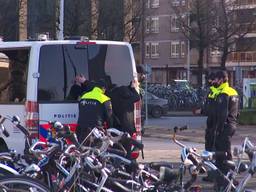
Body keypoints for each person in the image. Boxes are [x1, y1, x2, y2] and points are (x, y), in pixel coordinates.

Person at [213, 70, 239, 188]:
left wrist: (218, 129)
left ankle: (227, 180)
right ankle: (230, 179)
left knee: (223, 155)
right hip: (232, 124)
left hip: (224, 126)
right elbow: (237, 112)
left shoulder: (223, 93)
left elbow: (222, 114)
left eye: (216, 79)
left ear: (221, 79)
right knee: (227, 153)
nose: (215, 81)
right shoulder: (233, 91)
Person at [108, 80, 140, 159]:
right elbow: (137, 97)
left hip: (116, 128)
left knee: (116, 149)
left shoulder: (112, 98)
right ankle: (128, 165)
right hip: (128, 129)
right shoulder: (129, 99)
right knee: (128, 149)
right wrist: (132, 88)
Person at [76, 79, 113, 143]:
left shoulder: (84, 96)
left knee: (82, 150)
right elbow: (109, 117)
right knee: (96, 150)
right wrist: (110, 129)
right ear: (103, 88)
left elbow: (81, 111)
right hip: (95, 130)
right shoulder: (104, 99)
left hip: (81, 129)